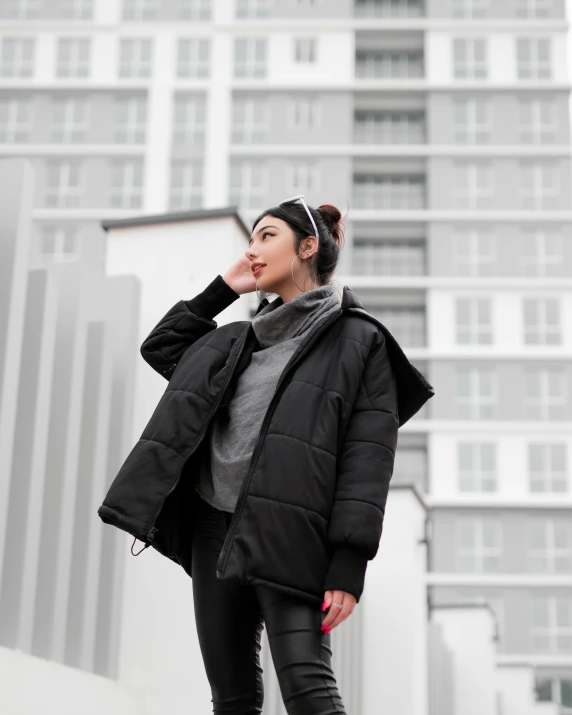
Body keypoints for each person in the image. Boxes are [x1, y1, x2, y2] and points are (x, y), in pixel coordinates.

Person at [98, 196, 434, 714]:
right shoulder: (237, 340)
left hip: (294, 533)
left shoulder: (359, 340)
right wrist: (225, 289)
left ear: (307, 247)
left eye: (267, 236)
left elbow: (367, 461)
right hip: (215, 533)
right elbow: (162, 348)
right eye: (250, 238)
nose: (252, 250)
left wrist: (349, 564)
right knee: (230, 698)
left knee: (309, 692)